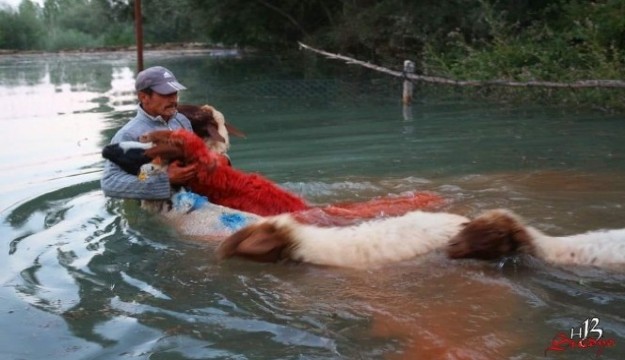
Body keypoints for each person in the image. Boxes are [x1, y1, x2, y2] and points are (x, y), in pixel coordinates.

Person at [101, 66, 197, 200]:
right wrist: (165, 179)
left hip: (190, 195)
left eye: (174, 93)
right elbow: (110, 183)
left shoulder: (182, 121)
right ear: (144, 97)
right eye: (165, 94)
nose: (173, 100)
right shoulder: (129, 134)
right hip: (155, 206)